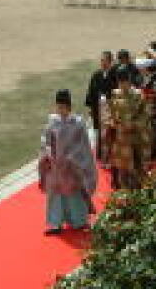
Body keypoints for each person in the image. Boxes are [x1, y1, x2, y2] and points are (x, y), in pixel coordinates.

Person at [39, 89, 97, 235]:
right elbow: (46, 140)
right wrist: (48, 154)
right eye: (58, 107)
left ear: (69, 107)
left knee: (74, 194)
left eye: (63, 107)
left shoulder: (77, 123)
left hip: (72, 166)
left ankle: (79, 221)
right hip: (56, 165)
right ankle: (55, 223)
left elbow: (83, 144)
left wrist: (72, 158)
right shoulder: (52, 122)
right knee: (56, 195)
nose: (60, 110)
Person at [107, 66, 151, 189]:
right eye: (120, 82)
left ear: (129, 80)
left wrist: (133, 124)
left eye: (124, 81)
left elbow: (145, 116)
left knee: (137, 172)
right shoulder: (115, 94)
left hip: (136, 140)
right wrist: (113, 123)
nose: (122, 85)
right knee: (122, 172)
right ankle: (124, 194)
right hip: (121, 141)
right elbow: (109, 115)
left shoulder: (138, 95)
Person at [85, 51, 116, 164]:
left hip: (110, 109)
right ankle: (100, 156)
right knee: (98, 133)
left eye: (105, 61)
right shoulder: (96, 75)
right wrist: (90, 107)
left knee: (109, 134)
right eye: (101, 60)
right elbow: (91, 91)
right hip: (98, 107)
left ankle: (109, 157)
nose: (103, 63)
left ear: (110, 62)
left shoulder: (115, 75)